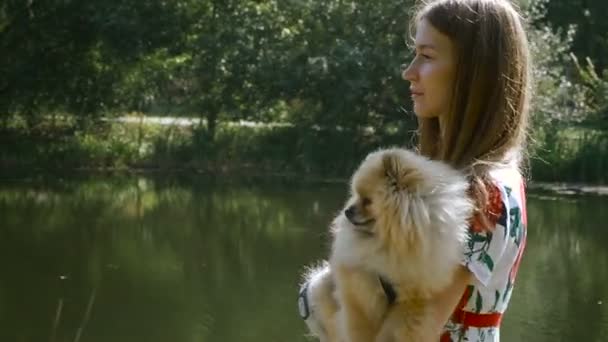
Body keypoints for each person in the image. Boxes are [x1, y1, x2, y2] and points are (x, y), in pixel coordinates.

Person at [298, 0, 530, 341]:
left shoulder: (479, 194)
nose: (409, 71)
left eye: (427, 56)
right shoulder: (490, 180)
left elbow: (410, 332)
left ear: (473, 72)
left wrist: (318, 302)